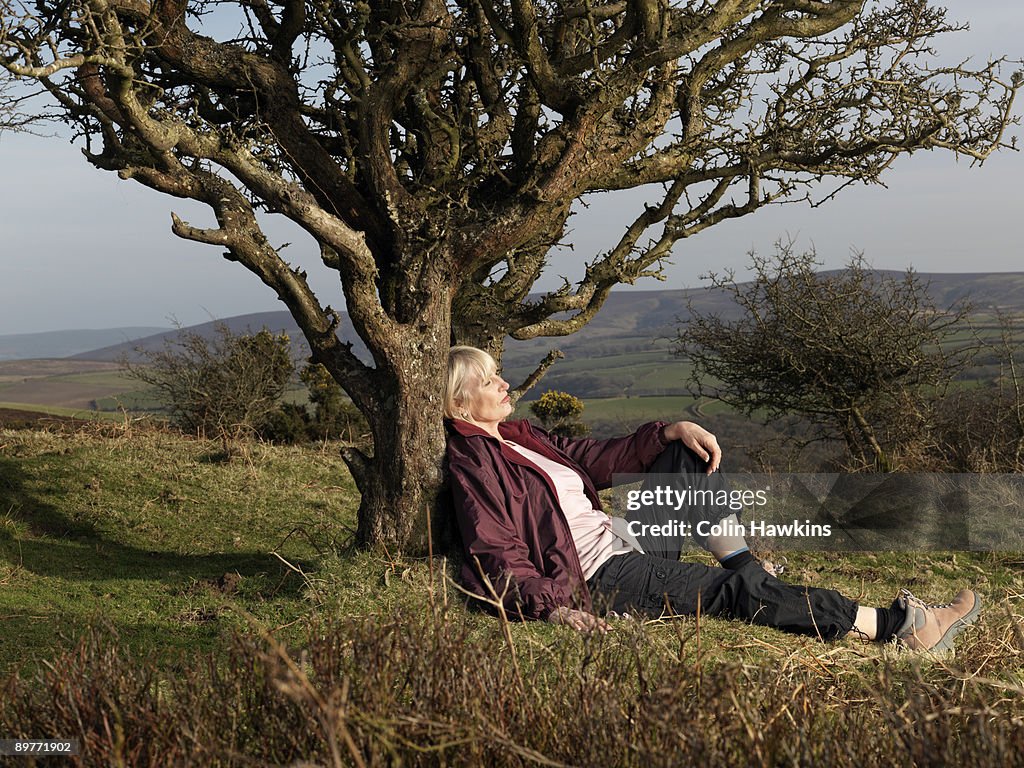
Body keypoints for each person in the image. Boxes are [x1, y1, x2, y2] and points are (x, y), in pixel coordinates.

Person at [444, 345, 982, 651]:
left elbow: (592, 454)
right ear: (460, 401)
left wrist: (668, 431)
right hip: (599, 576)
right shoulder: (473, 463)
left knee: (684, 454)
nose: (504, 383)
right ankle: (901, 628)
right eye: (490, 380)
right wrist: (555, 607)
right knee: (732, 593)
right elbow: (496, 553)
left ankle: (747, 564)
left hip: (627, 543)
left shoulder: (518, 437)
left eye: (498, 374)